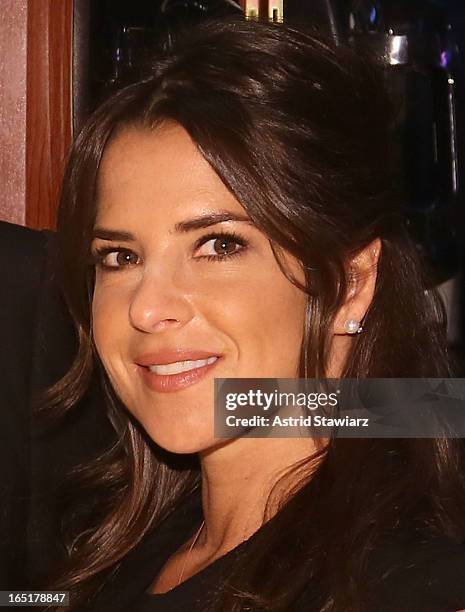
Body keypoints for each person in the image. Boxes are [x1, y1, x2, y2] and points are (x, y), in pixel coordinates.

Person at [37, 16, 465, 612]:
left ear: (349, 284)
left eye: (219, 245)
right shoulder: (123, 545)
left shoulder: (410, 586)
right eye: (120, 255)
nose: (146, 307)